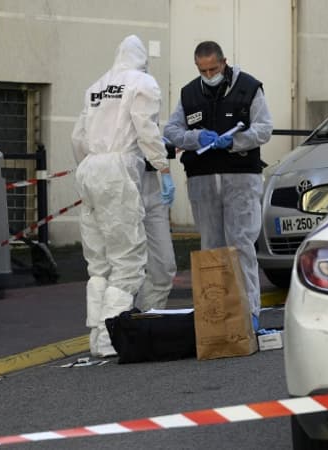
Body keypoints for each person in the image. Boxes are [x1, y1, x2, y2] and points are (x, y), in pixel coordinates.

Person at [71, 35, 174, 357]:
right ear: (143, 59)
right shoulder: (141, 82)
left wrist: (92, 167)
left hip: (89, 170)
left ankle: (96, 337)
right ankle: (110, 339)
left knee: (99, 264)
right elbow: (146, 129)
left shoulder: (96, 86)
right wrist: (163, 167)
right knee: (128, 262)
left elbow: (78, 136)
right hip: (119, 170)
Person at [163, 40, 273, 329]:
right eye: (203, 69)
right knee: (211, 247)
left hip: (240, 176)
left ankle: (250, 314)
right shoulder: (189, 94)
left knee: (241, 244)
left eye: (213, 68)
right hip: (203, 178)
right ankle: (216, 317)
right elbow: (172, 131)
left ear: (224, 62)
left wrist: (236, 141)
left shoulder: (249, 87)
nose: (209, 73)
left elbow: (264, 128)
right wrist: (195, 137)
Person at [135, 141, 178, 312]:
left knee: (164, 266)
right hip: (122, 182)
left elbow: (149, 135)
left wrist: (163, 168)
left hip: (151, 183)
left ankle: (147, 319)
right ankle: (115, 328)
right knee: (124, 269)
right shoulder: (98, 114)